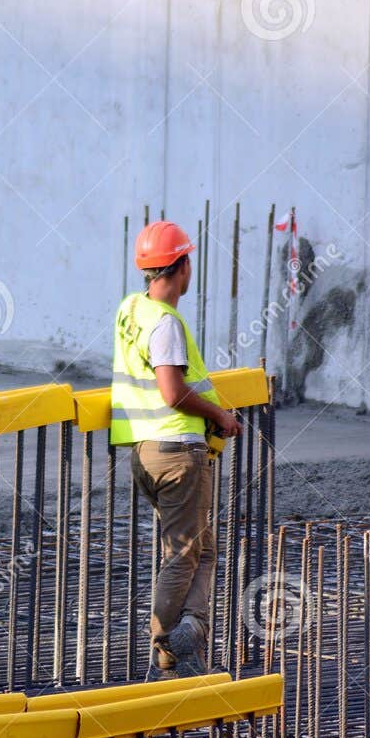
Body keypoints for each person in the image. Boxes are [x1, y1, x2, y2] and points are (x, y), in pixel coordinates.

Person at [110, 221, 241, 678]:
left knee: (200, 549)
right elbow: (171, 390)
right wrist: (221, 416)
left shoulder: (132, 309)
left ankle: (191, 628)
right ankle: (166, 654)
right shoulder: (166, 323)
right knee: (185, 553)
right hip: (178, 450)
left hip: (144, 450)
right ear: (183, 267)